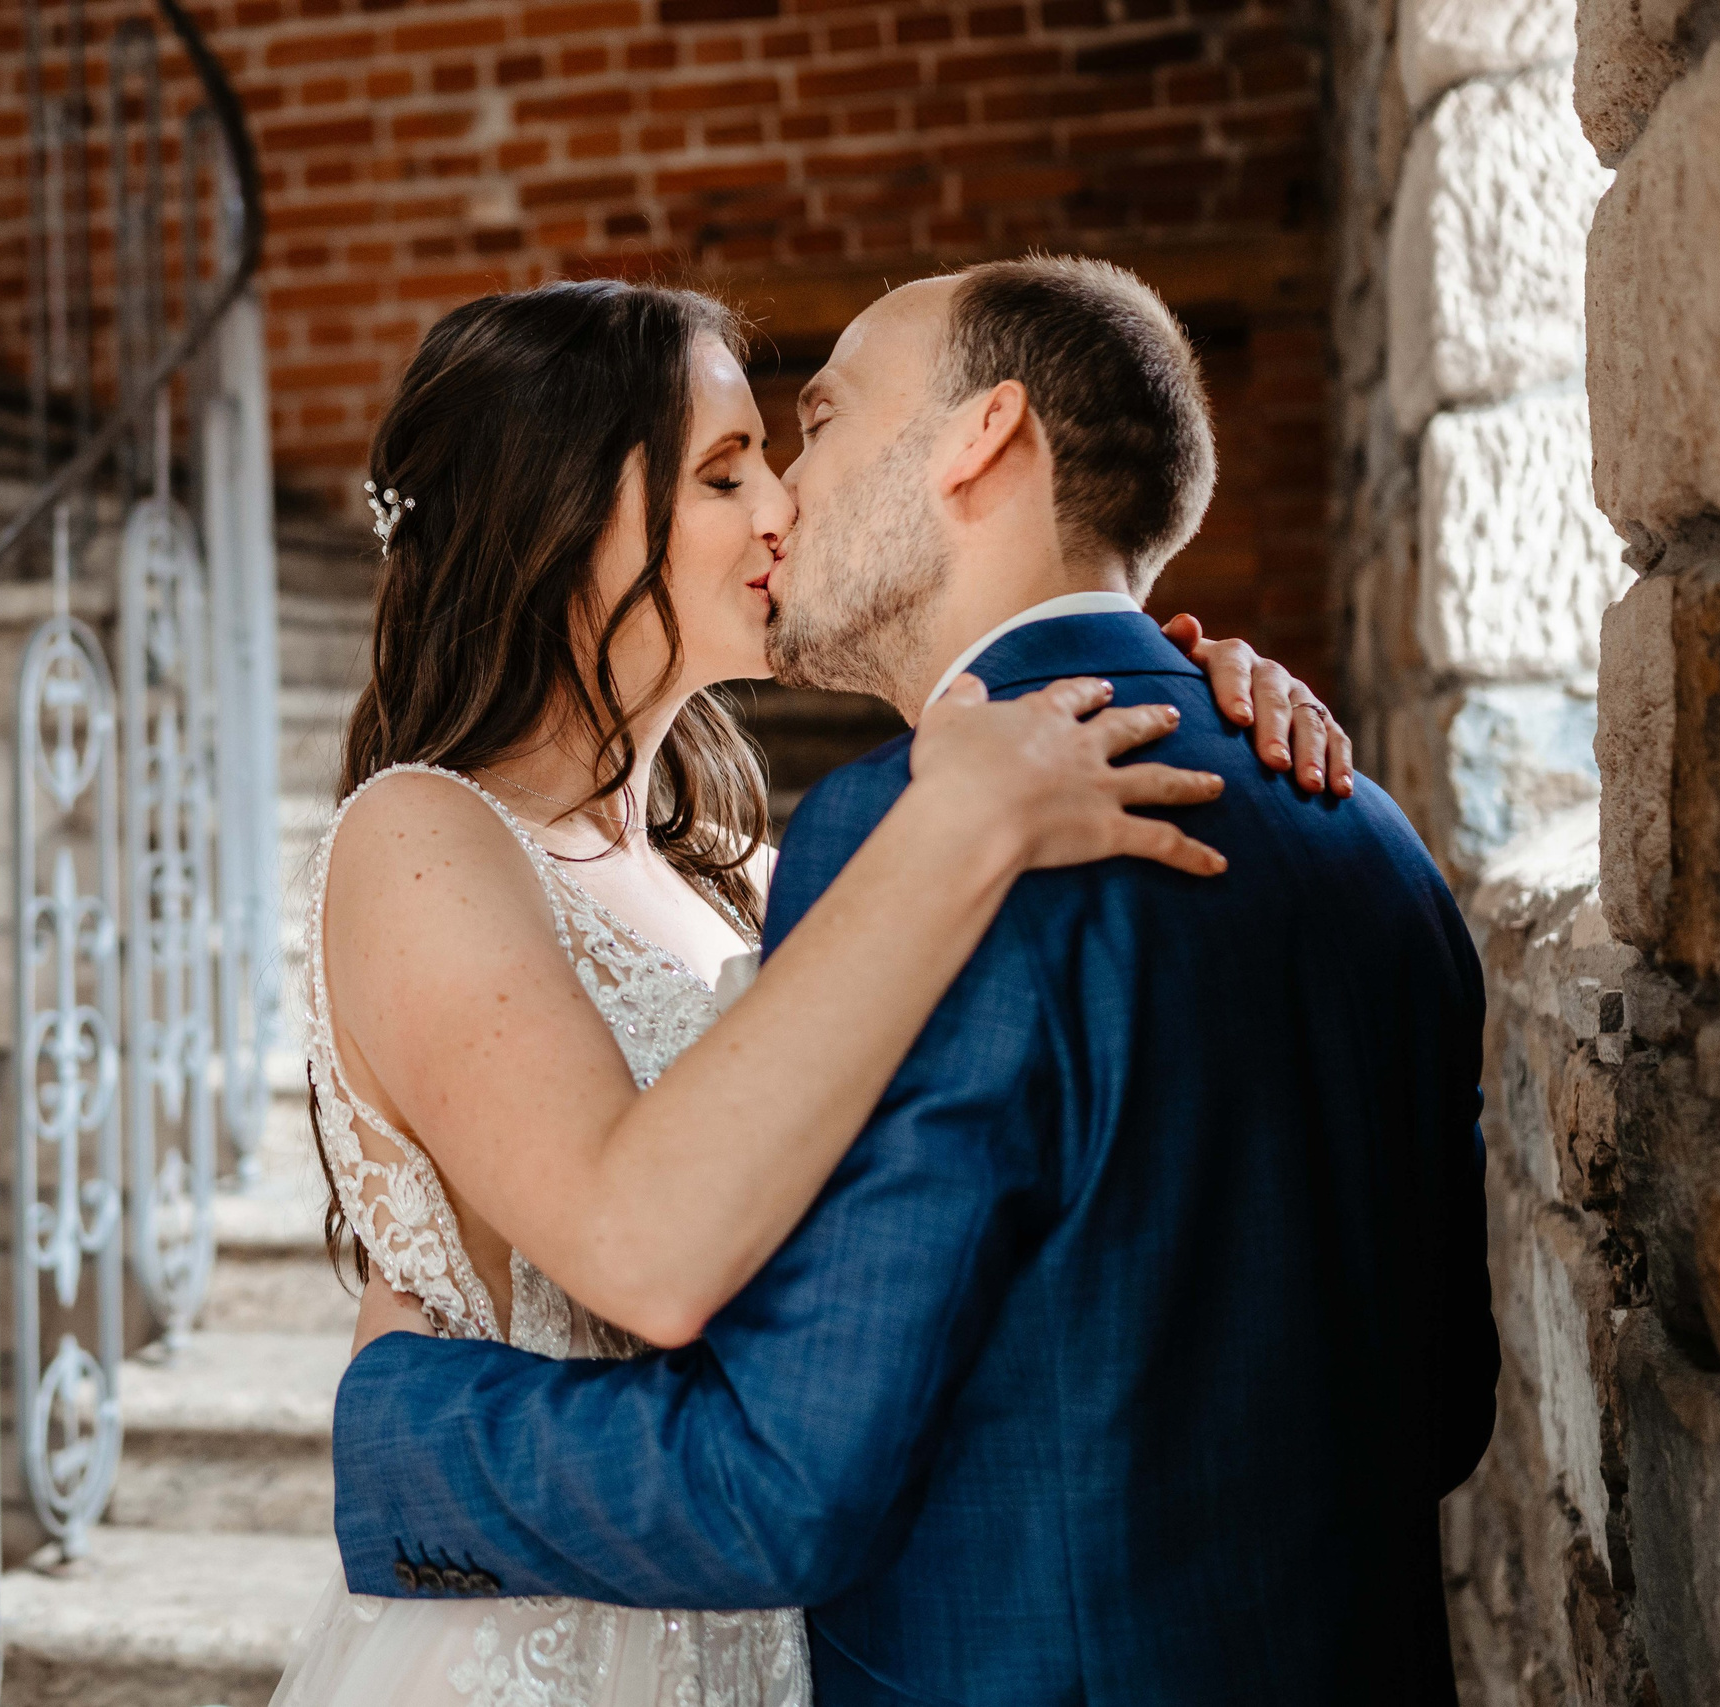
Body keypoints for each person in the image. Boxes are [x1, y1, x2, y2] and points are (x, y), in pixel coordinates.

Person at [273, 267, 1386, 1707]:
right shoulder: (421, 836)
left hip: (779, 1636)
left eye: (779, 455)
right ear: (558, 512)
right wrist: (955, 820)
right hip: (551, 1639)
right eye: (724, 473)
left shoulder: (751, 872)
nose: (782, 506)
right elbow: (641, 1250)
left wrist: (1174, 689)